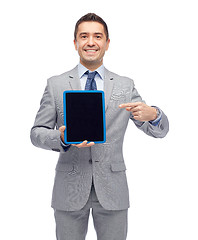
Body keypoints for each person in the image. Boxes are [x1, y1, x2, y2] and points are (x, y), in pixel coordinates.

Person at [30, 13, 169, 240]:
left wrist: (154, 114)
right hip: (70, 189)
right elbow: (36, 134)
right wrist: (60, 137)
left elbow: (158, 131)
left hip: (113, 189)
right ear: (75, 43)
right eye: (84, 36)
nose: (91, 42)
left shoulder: (125, 85)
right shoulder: (55, 85)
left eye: (98, 36)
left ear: (107, 43)